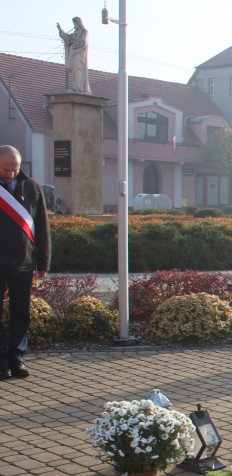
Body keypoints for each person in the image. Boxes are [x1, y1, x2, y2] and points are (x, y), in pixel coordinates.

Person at [0, 146, 50, 380]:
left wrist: (44, 263)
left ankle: (16, 356)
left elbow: (41, 226)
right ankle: (1, 360)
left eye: (15, 169)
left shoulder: (32, 187)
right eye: (5, 170)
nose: (10, 174)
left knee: (21, 312)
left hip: (24, 262)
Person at [57, 17, 91, 95]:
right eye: (74, 23)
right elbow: (67, 39)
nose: (74, 24)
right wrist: (60, 30)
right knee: (73, 69)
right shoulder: (74, 33)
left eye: (75, 22)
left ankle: (79, 88)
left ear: (79, 23)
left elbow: (83, 42)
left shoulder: (84, 32)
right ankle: (76, 87)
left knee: (77, 68)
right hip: (73, 54)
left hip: (80, 54)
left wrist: (75, 40)